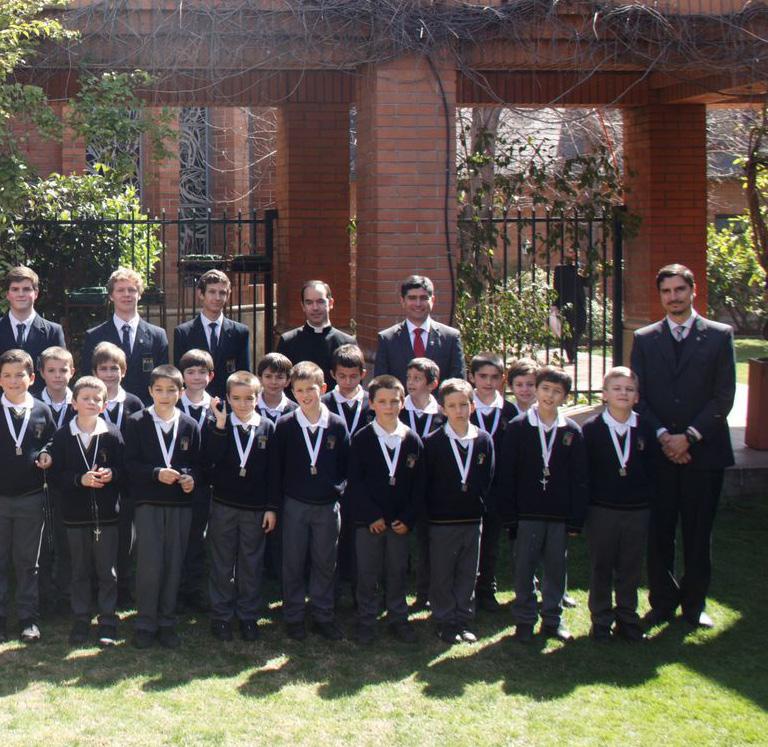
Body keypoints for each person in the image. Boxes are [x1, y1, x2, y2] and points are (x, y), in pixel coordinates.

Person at [630, 263, 735, 630]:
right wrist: (664, 436)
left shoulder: (719, 336)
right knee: (659, 531)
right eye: (666, 291)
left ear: (693, 291)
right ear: (660, 296)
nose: (673, 297)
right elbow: (638, 397)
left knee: (697, 532)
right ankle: (662, 602)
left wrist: (688, 436)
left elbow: (723, 396)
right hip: (658, 453)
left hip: (703, 453)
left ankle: (694, 605)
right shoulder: (645, 338)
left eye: (679, 290)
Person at [499, 366, 588, 643]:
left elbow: (579, 478)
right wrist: (509, 516)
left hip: (558, 515)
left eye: (557, 392)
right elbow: (507, 474)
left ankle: (552, 620)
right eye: (545, 389)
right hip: (527, 514)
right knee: (524, 569)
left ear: (565, 397)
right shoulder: (518, 427)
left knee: (556, 569)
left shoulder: (571, 431)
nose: (550, 396)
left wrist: (576, 518)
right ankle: (525, 620)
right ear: (536, 390)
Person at [269, 361, 349, 641]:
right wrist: (276, 505)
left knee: (325, 561)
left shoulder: (337, 424)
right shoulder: (286, 425)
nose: (305, 395)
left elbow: (345, 466)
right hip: (294, 504)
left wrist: (336, 492)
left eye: (310, 389)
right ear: (292, 391)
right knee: (292, 561)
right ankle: (293, 615)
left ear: (323, 388)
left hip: (327, 506)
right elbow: (276, 469)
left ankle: (322, 614)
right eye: (299, 390)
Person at [125, 365, 201, 649]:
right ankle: (145, 623)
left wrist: (191, 479)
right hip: (148, 504)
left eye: (171, 390)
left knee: (173, 563)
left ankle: (167, 622)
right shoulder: (136, 422)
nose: (165, 395)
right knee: (149, 564)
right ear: (150, 391)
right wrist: (155, 473)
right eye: (159, 390)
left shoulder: (190, 425)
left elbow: (198, 464)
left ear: (181, 392)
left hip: (180, 505)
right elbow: (129, 464)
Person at [347, 375, 424, 645]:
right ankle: (366, 620)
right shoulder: (362, 439)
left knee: (397, 571)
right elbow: (355, 483)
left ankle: (398, 618)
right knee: (367, 573)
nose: (388, 407)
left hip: (399, 523)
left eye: (394, 401)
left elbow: (418, 487)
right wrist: (371, 515)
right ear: (371, 404)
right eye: (382, 401)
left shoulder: (412, 439)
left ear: (403, 403)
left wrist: (408, 518)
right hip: (370, 522)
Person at [49, 376, 124, 647]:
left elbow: (124, 470)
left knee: (107, 572)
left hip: (107, 516)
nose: (91, 403)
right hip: (75, 516)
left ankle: (107, 621)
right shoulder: (62, 436)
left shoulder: (112, 434)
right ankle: (81, 619)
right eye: (85, 398)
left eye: (97, 399)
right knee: (79, 571)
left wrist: (112, 473)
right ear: (74, 403)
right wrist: (79, 480)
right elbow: (55, 476)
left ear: (104, 405)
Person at [582, 367, 655, 642]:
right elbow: (585, 473)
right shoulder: (591, 429)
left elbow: (653, 469)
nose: (623, 393)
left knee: (630, 566)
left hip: (637, 509)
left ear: (637, 397)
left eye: (629, 389)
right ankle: (601, 619)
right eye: (617, 388)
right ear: (604, 394)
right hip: (602, 509)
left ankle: (627, 617)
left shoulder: (645, 428)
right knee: (601, 565)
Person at [204, 371, 276, 642]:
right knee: (222, 563)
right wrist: (221, 425)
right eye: (236, 398)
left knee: (251, 563)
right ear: (227, 398)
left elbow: (273, 473)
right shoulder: (218, 424)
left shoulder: (267, 427)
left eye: (249, 398)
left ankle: (248, 616)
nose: (243, 404)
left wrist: (271, 507)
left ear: (258, 398)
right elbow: (210, 458)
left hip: (255, 508)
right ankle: (221, 616)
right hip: (224, 504)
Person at [424, 378, 494, 645]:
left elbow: (488, 478)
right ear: (443, 409)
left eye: (464, 405)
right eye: (452, 406)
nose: (459, 410)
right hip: (442, 520)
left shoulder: (483, 440)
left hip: (472, 518)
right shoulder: (433, 442)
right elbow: (427, 482)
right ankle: (444, 620)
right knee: (442, 572)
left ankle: (463, 618)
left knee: (468, 571)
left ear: (472, 406)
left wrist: (480, 505)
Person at [0, 349, 55, 643]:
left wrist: (47, 453)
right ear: (0, 379)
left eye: (20, 375)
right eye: (7, 375)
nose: (13, 380)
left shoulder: (41, 410)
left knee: (28, 562)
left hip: (31, 497)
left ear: (32, 378)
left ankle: (28, 619)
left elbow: (51, 440)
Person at [91, 341, 144, 609]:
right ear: (95, 372)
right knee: (98, 537)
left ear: (124, 371)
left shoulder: (134, 402)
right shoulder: (89, 399)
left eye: (115, 368)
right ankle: (96, 587)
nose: (109, 374)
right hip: (96, 479)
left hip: (126, 481)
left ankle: (123, 587)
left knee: (125, 538)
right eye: (104, 368)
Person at [468, 353, 518, 613]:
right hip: (470, 486)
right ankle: (466, 591)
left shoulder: (510, 411)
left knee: (491, 542)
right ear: (471, 377)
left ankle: (487, 589)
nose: (488, 382)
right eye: (483, 376)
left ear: (503, 379)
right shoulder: (465, 407)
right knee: (468, 542)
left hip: (498, 488)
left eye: (495, 377)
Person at [81, 267, 169, 405]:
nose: (126, 294)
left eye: (132, 290)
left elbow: (162, 379)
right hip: (106, 409)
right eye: (120, 290)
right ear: (111, 296)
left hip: (145, 410)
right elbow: (89, 379)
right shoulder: (94, 336)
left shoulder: (158, 336)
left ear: (139, 295)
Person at [399, 356, 444, 610]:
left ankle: (424, 591)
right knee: (398, 541)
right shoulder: (399, 410)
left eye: (417, 378)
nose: (411, 383)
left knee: (427, 542)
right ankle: (394, 589)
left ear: (432, 384)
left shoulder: (441, 414)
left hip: (432, 488)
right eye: (409, 378)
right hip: (403, 485)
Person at [36, 346, 76, 617]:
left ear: (72, 371)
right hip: (39, 483)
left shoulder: (82, 400)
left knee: (67, 540)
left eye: (63, 370)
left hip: (71, 484)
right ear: (41, 373)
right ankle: (44, 595)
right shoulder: (32, 405)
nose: (58, 375)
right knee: (42, 542)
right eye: (51, 370)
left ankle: (66, 594)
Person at [176, 349, 216, 613]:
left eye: (202, 372)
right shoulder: (172, 403)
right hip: (175, 482)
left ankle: (193, 589)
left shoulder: (218, 407)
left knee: (197, 537)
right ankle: (175, 589)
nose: (197, 377)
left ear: (211, 376)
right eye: (190, 372)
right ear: (182, 376)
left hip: (202, 483)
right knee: (176, 538)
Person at [374, 275, 465, 386]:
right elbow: (381, 384)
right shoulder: (387, 339)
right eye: (412, 298)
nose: (418, 304)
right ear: (402, 301)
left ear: (432, 300)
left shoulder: (451, 338)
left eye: (423, 298)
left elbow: (458, 382)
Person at [173, 269, 250, 400]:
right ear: (201, 294)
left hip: (229, 403)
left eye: (222, 293)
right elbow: (180, 376)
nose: (217, 298)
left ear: (228, 295)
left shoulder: (240, 332)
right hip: (194, 403)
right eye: (212, 292)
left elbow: (244, 375)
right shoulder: (183, 333)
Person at [276, 280, 356, 388]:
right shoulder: (288, 341)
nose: (315, 308)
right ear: (303, 306)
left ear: (330, 303)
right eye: (309, 302)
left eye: (320, 301)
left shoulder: (347, 342)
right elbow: (281, 382)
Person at [0, 266, 66, 395]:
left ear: (36, 293)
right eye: (15, 289)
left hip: (41, 403)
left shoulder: (53, 332)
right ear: (7, 294)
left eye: (26, 289)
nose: (20, 294)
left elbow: (60, 374)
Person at [256, 353, 298, 423]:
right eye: (268, 376)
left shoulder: (296, 411)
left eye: (279, 377)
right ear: (260, 379)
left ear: (287, 381)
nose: (273, 382)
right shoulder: (249, 407)